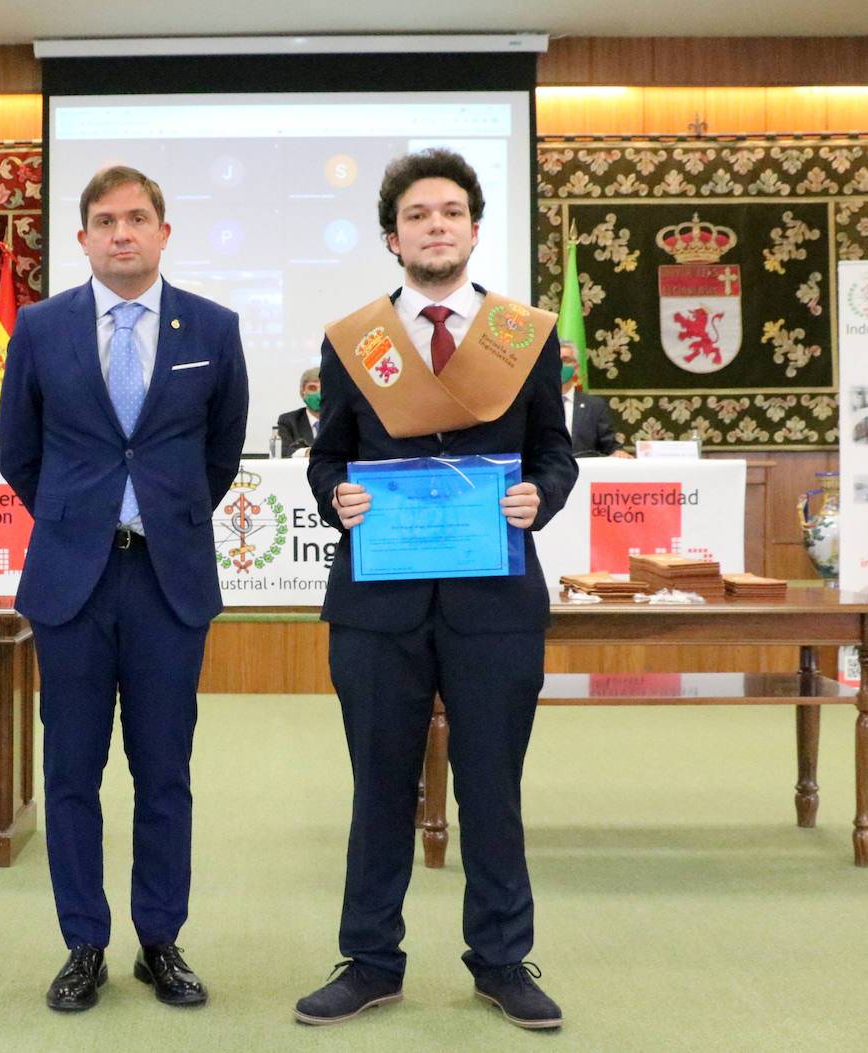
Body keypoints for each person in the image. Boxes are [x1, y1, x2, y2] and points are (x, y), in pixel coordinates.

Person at [296, 149, 577, 1031]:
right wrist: (336, 495)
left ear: (475, 228)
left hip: (493, 597)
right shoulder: (355, 340)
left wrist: (543, 496)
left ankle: (501, 960)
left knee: (491, 781)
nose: (436, 225)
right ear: (393, 236)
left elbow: (553, 454)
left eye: (451, 211)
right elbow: (327, 455)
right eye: (419, 214)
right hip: (379, 604)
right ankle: (371, 959)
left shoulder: (521, 336)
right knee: (379, 782)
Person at [0, 165, 248, 1013]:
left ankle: (160, 939)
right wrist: (78, 519)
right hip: (72, 581)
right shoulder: (39, 327)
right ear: (83, 239)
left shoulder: (214, 326)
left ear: (164, 231)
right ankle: (83, 942)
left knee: (163, 769)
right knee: (71, 768)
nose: (122, 234)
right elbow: (17, 451)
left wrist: (161, 519)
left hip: (168, 582)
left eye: (137, 218)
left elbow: (219, 453)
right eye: (105, 221)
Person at [561, 339, 632, 457]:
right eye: (555, 360)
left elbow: (610, 446)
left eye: (566, 360)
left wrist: (618, 453)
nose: (560, 365)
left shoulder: (595, 406)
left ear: (576, 368)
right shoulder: (535, 404)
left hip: (584, 472)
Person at [276, 366, 322, 457]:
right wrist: (307, 452)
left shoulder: (341, 420)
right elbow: (283, 451)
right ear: (302, 394)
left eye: (323, 388)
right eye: (312, 388)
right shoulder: (288, 421)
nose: (318, 394)